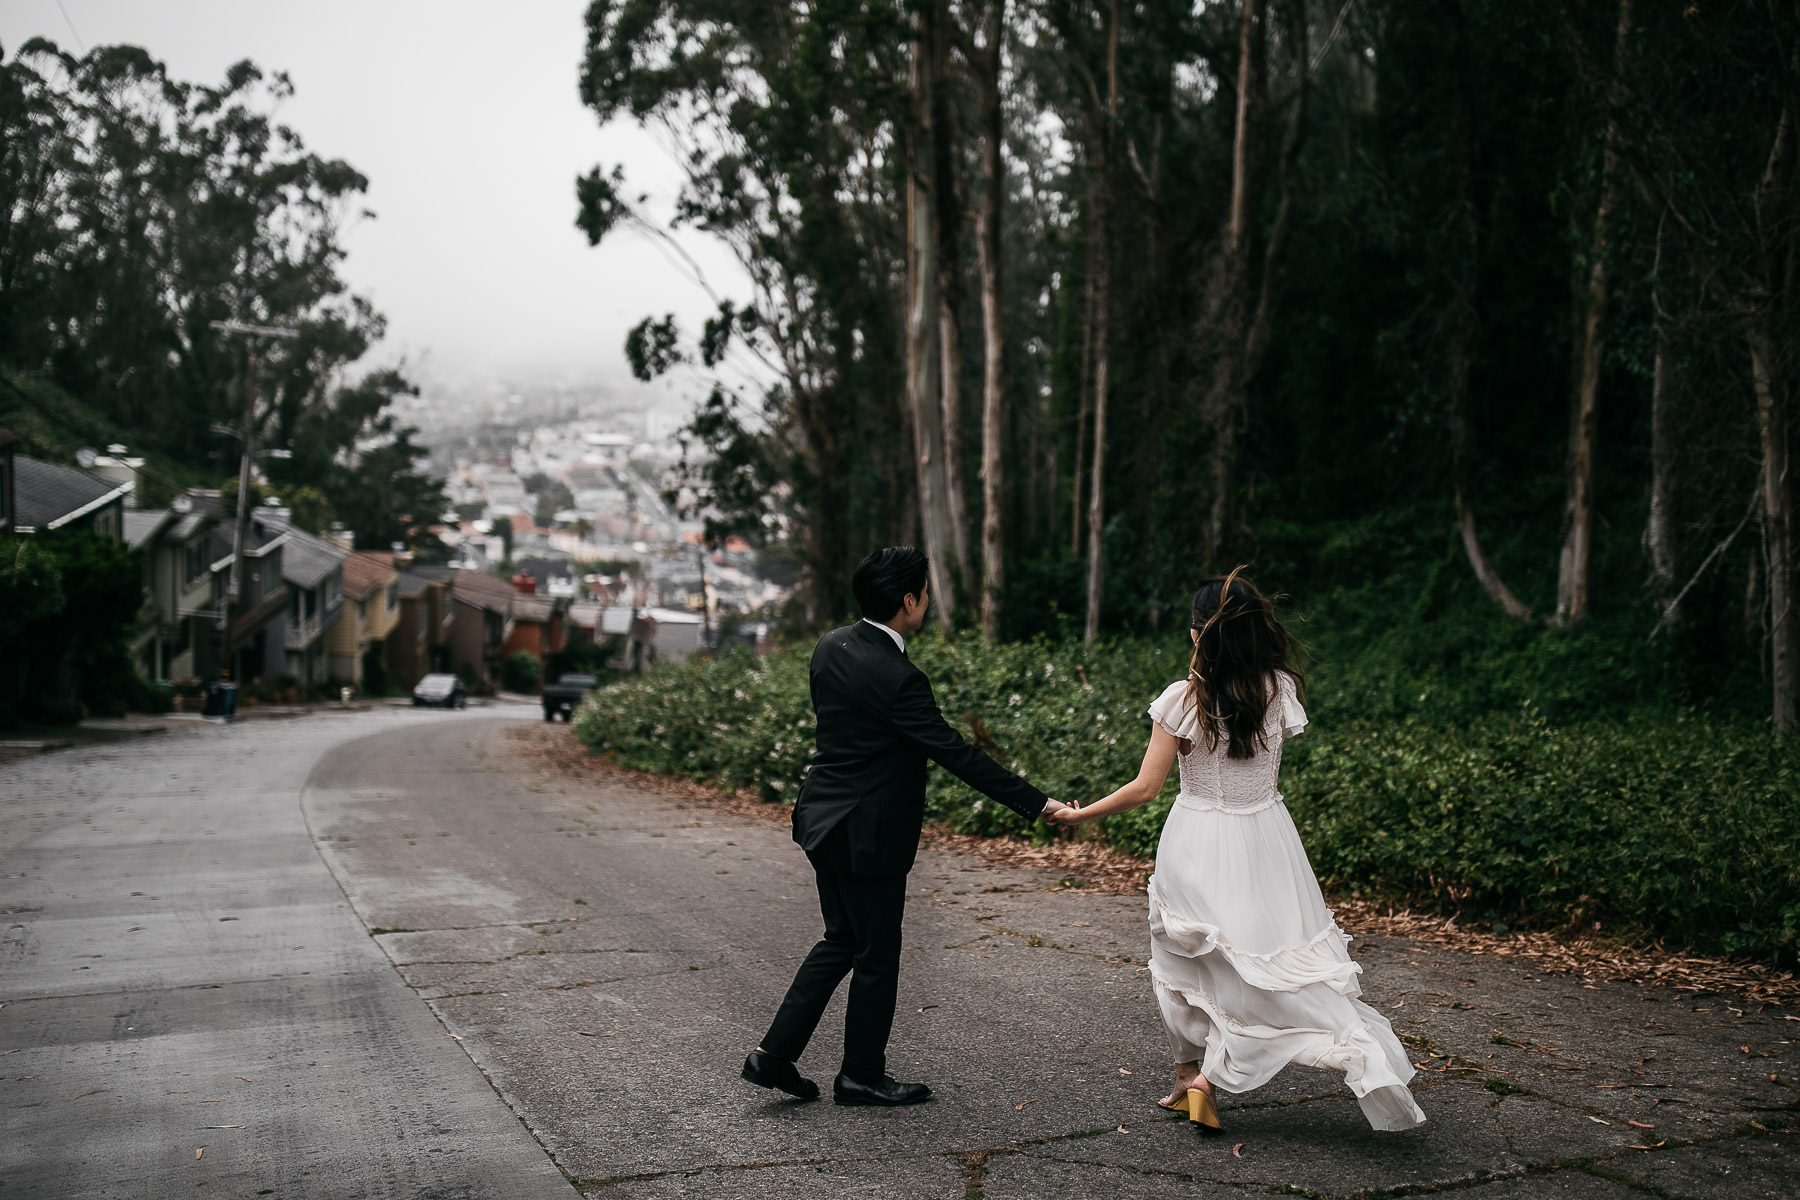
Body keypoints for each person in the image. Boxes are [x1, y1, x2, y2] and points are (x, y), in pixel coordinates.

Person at [1049, 568, 1426, 1133]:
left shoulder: (1185, 697)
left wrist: (1082, 813)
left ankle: (1192, 1078)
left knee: (1183, 961)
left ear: (1201, 634)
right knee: (1261, 965)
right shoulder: (1278, 688)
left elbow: (1147, 787)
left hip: (1196, 839)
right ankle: (1203, 1079)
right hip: (1267, 838)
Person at [743, 547, 1073, 1107]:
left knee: (842, 939)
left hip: (821, 820)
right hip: (869, 834)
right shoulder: (899, 676)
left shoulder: (831, 645)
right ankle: (861, 1076)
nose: (928, 601)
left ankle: (773, 1056)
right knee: (875, 953)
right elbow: (956, 753)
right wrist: (1038, 803)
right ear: (908, 600)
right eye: (925, 592)